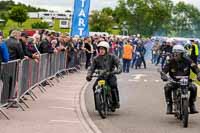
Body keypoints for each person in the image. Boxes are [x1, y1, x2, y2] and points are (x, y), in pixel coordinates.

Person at [161, 44, 200, 114]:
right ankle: (169, 105)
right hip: (174, 81)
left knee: (194, 87)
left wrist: (198, 74)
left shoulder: (188, 60)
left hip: (186, 81)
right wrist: (163, 75)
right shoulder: (170, 61)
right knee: (167, 87)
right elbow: (164, 70)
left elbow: (195, 68)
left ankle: (191, 104)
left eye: (178, 53)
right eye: (174, 53)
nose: (176, 55)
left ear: (182, 54)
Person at [86, 41, 122, 109]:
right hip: (101, 76)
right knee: (94, 87)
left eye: (103, 49)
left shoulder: (112, 57)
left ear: (107, 49)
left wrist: (118, 70)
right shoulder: (96, 58)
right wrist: (89, 75)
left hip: (110, 75)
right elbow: (91, 68)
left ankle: (115, 102)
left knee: (113, 85)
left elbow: (119, 64)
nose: (101, 50)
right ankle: (98, 105)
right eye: (100, 49)